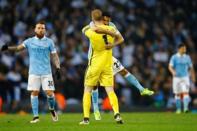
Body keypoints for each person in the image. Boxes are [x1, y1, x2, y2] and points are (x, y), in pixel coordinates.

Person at [89, 12, 154, 120]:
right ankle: (96, 110)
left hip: (108, 57)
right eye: (105, 20)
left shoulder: (112, 26)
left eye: (108, 20)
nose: (107, 22)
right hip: (95, 58)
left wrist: (112, 45)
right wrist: (110, 32)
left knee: (123, 71)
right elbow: (96, 30)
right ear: (101, 19)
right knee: (95, 84)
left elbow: (121, 39)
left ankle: (141, 89)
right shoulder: (93, 24)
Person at [1, 21, 61, 123]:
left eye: (43, 28)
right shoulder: (29, 41)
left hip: (47, 72)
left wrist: (58, 67)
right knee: (34, 93)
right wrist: (7, 48)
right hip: (34, 72)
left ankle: (52, 109)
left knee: (50, 93)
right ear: (35, 29)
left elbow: (54, 56)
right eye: (39, 28)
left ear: (45, 30)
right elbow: (18, 49)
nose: (41, 29)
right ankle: (36, 116)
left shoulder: (49, 42)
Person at [80, 9, 123, 125]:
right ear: (103, 18)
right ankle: (117, 114)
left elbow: (83, 29)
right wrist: (112, 42)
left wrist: (92, 25)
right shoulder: (112, 29)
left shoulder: (91, 31)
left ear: (93, 18)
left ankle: (86, 119)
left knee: (87, 90)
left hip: (95, 65)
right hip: (107, 65)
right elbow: (120, 38)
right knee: (110, 90)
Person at [168, 43, 195, 114]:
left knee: (185, 92)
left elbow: (191, 67)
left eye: (185, 48)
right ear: (179, 49)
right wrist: (173, 72)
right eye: (183, 48)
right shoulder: (174, 57)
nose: (185, 50)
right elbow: (170, 66)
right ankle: (179, 109)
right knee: (177, 94)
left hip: (185, 77)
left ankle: (186, 109)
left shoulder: (187, 57)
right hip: (176, 78)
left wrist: (193, 76)